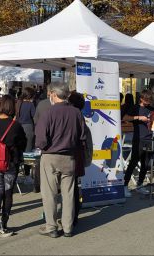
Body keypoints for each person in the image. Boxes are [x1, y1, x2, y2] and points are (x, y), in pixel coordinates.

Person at [35, 82, 86, 238]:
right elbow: (82, 136)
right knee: (69, 193)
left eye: (50, 94)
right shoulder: (77, 112)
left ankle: (51, 227)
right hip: (70, 157)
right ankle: (68, 227)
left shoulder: (48, 113)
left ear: (54, 94)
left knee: (49, 194)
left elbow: (41, 140)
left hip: (50, 156)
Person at [0, 95, 27, 238]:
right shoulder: (15, 125)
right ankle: (4, 224)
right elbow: (24, 143)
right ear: (12, 108)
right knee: (8, 193)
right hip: (10, 162)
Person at [122, 90, 154, 197]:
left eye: (150, 100)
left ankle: (140, 185)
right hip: (139, 138)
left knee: (145, 163)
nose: (148, 102)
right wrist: (139, 117)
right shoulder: (135, 108)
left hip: (149, 138)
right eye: (147, 100)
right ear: (141, 99)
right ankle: (125, 185)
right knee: (133, 161)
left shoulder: (151, 108)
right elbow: (125, 117)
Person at [68, 91, 93, 226]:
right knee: (74, 187)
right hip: (78, 157)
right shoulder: (80, 118)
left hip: (70, 156)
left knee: (70, 188)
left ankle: (71, 216)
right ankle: (74, 215)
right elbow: (87, 141)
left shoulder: (72, 117)